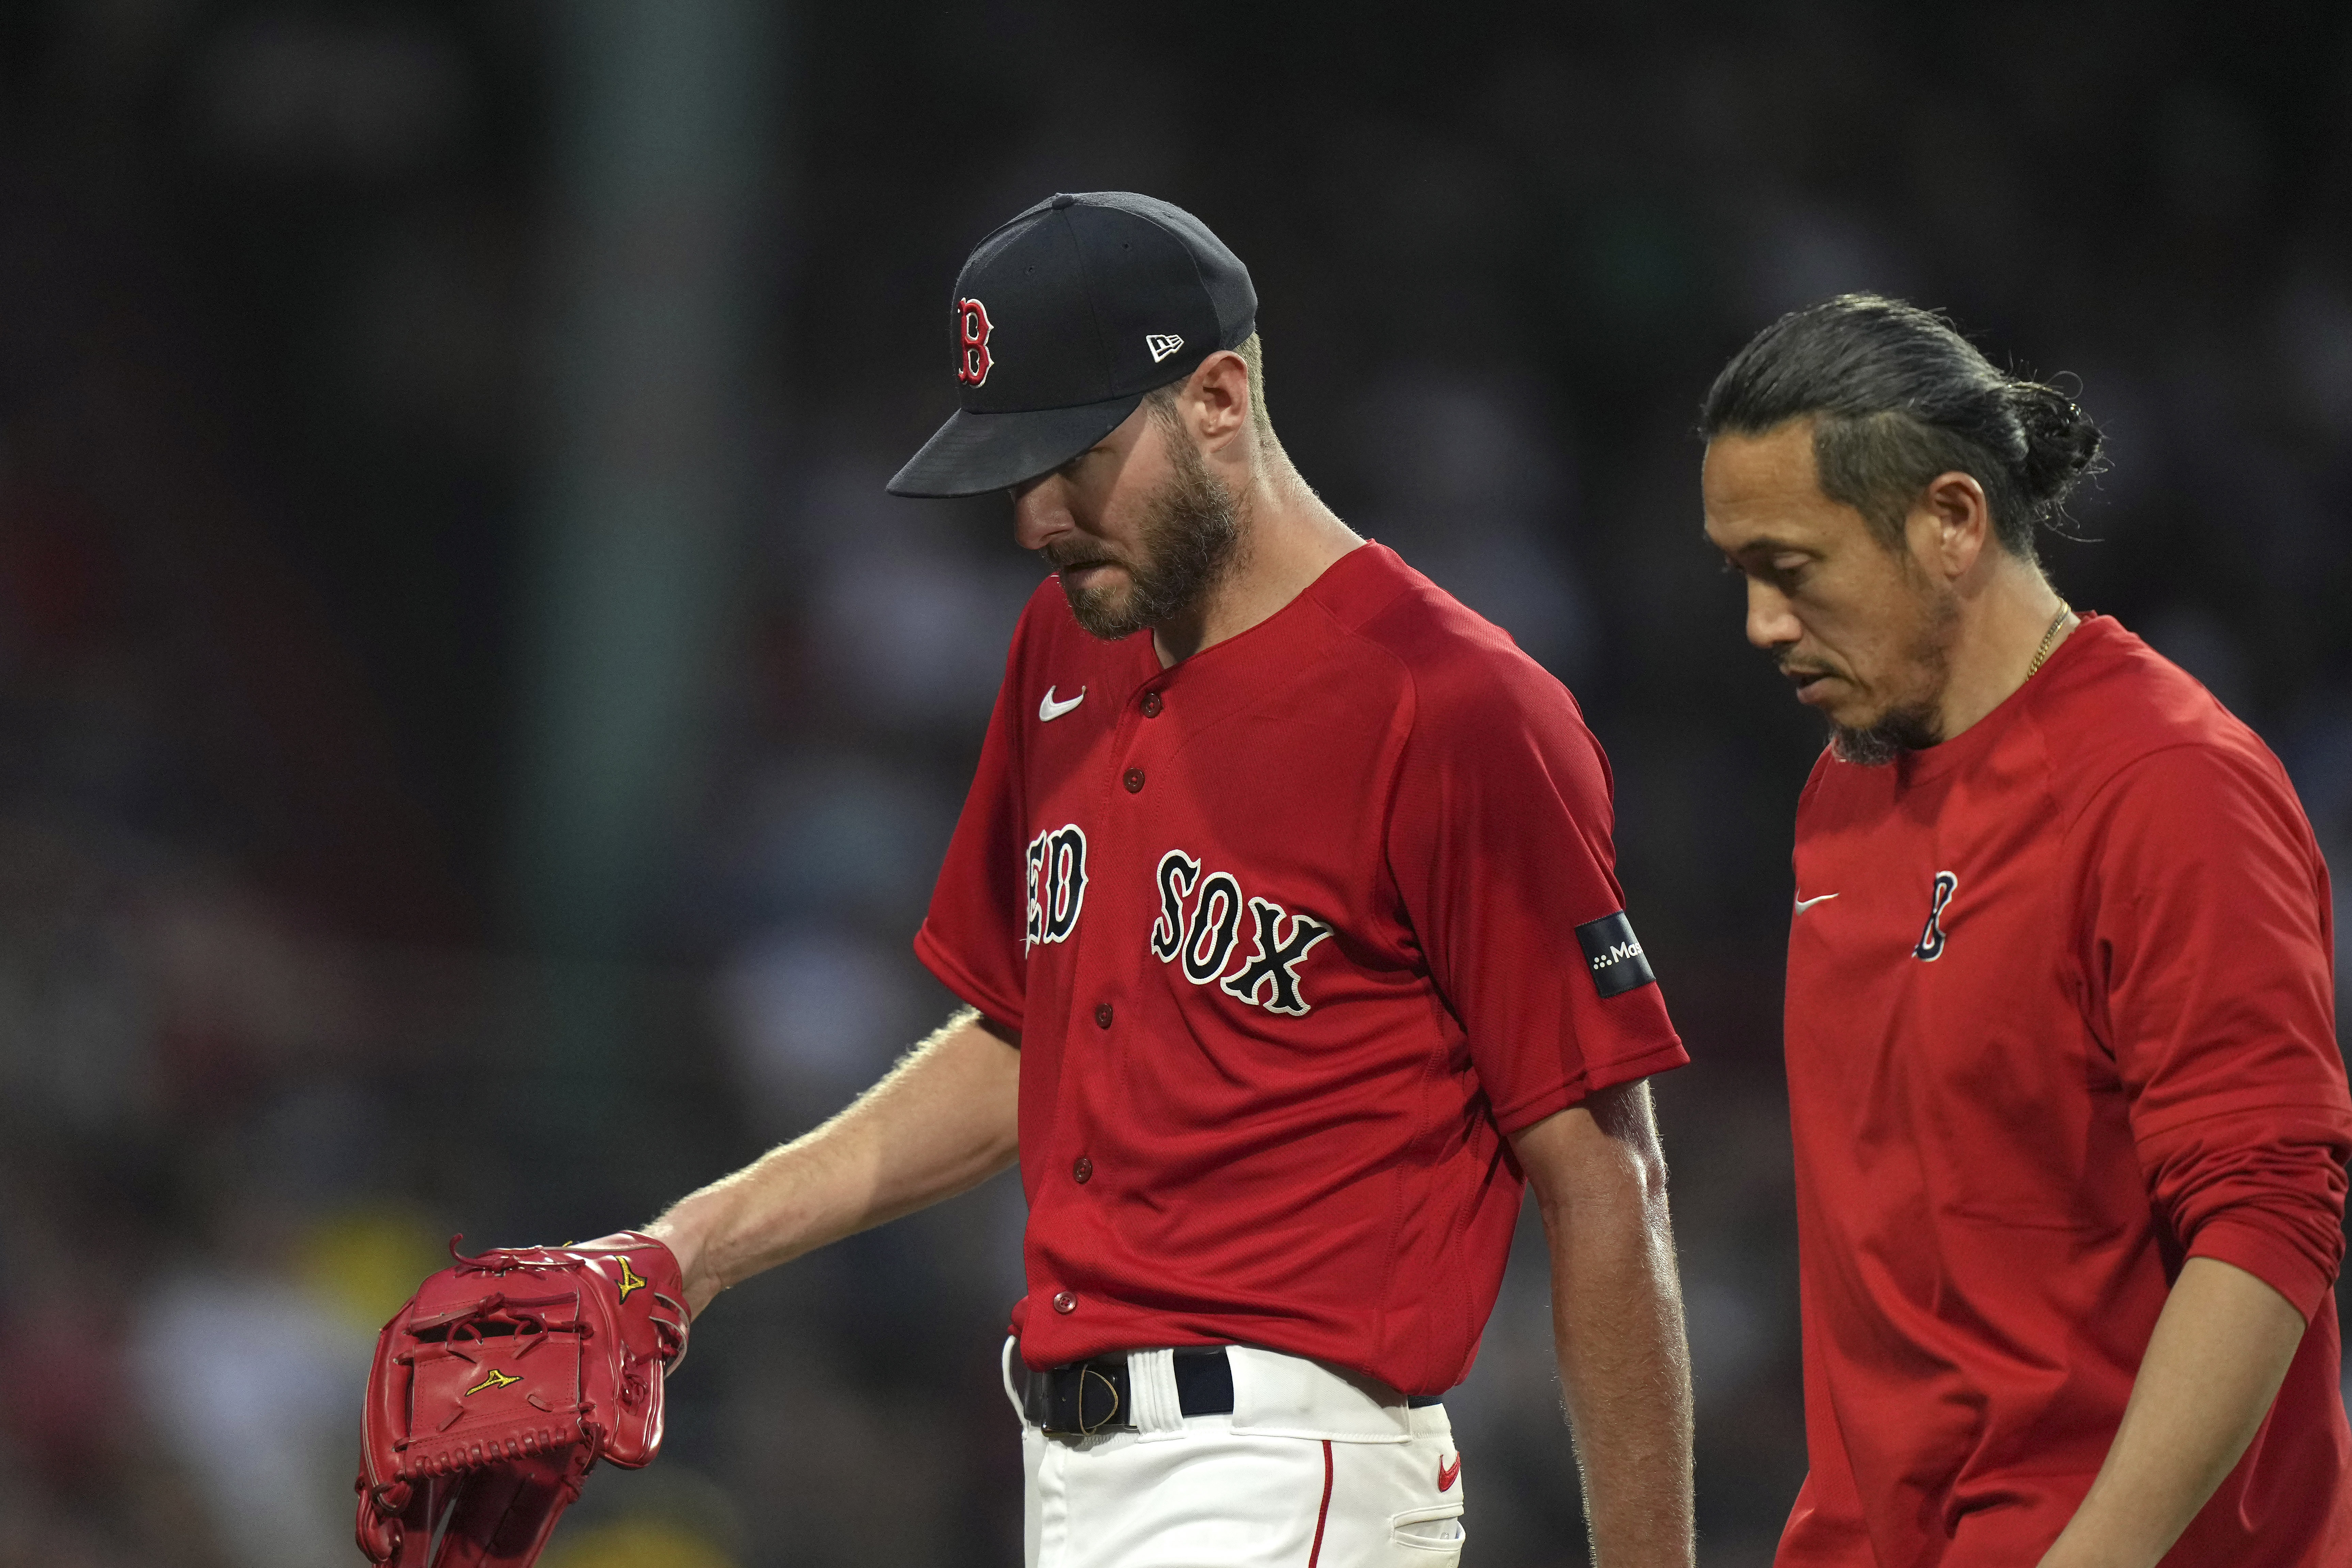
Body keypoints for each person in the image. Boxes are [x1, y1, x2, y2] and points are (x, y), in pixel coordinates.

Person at [646, 191, 1697, 1567]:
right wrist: (689, 1246)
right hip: (1071, 1473)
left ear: (1215, 394)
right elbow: (1027, 1038)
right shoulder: (1066, 645)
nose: (1031, 515)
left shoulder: (1451, 705)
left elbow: (1607, 1174)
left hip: (1289, 1459)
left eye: (1069, 457)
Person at [1699, 293, 2352, 1568]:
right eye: (1744, 577)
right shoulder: (1842, 790)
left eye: (1794, 570)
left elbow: (2268, 1218)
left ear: (1952, 519)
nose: (1763, 626)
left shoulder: (2168, 783)